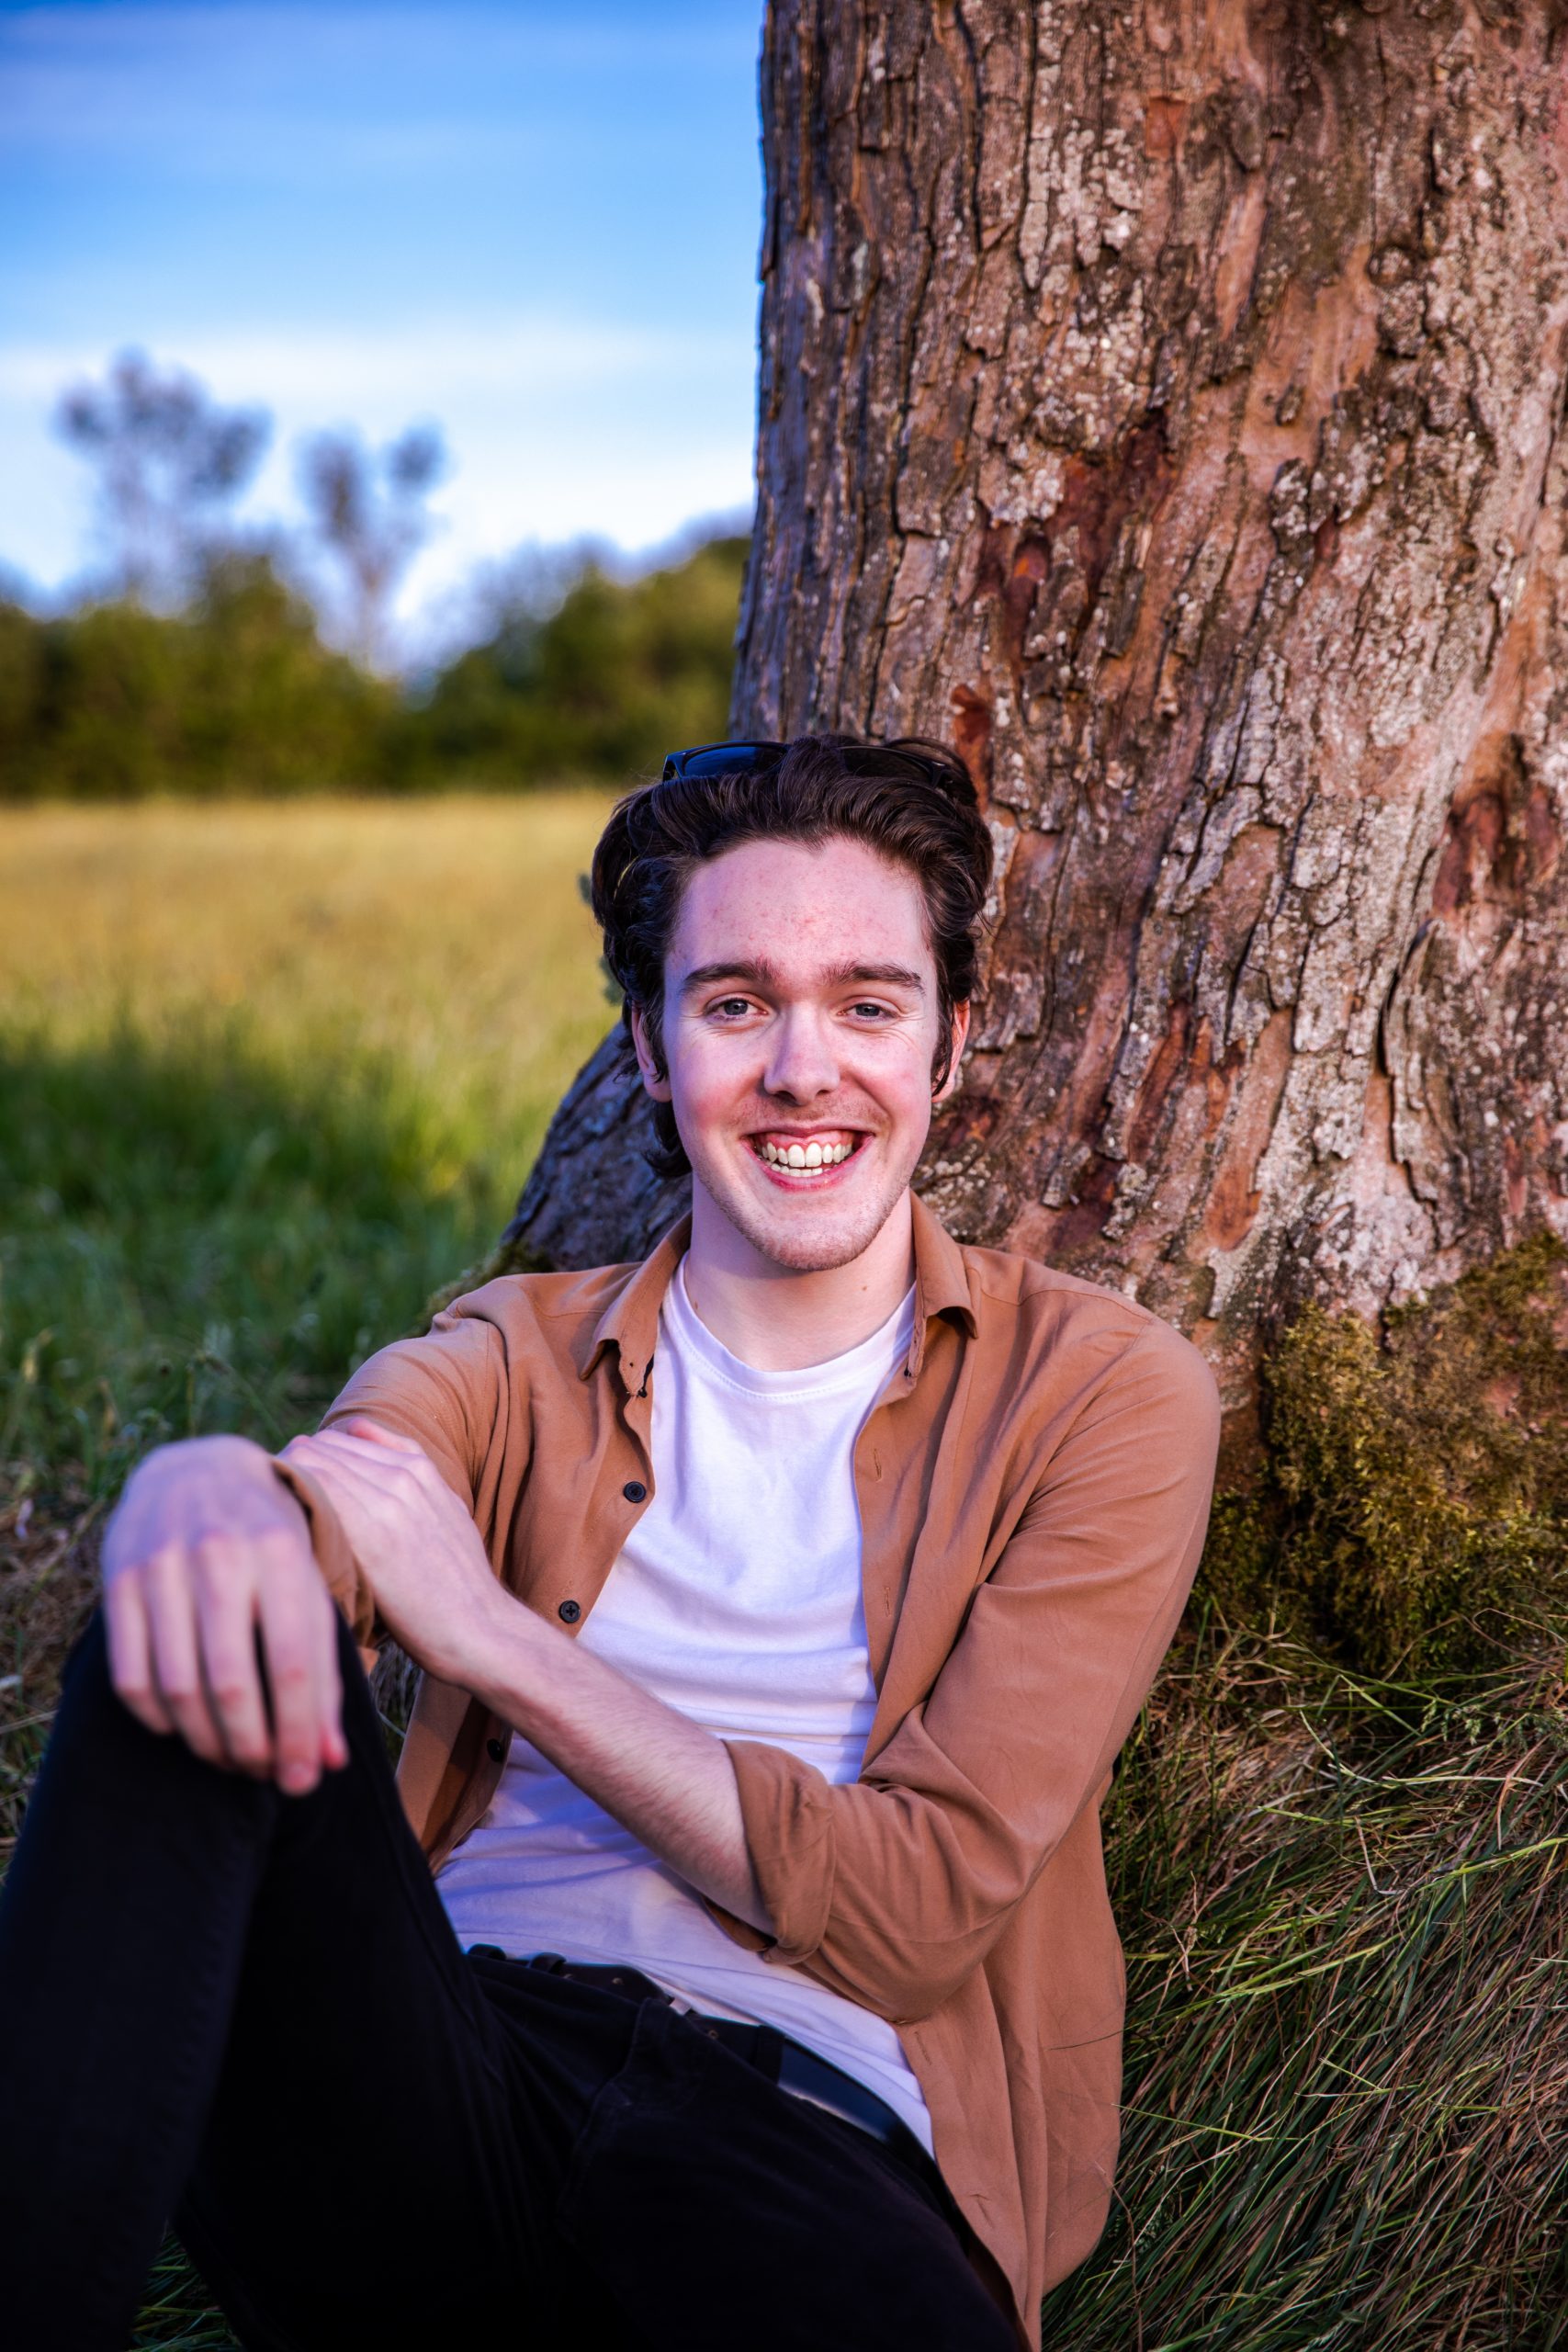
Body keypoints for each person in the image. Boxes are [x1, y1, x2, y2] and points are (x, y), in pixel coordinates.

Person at [0, 735, 1220, 2352]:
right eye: (736, 1005)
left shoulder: (1101, 1393)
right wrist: (204, 1492)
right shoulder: (513, 1352)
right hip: (446, 2072)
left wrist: (495, 1641)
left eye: (868, 1005)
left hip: (812, 2141)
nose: (803, 1069)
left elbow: (923, 1909)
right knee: (194, 1636)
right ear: (649, 1046)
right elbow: (336, 1505)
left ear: (951, 1044)